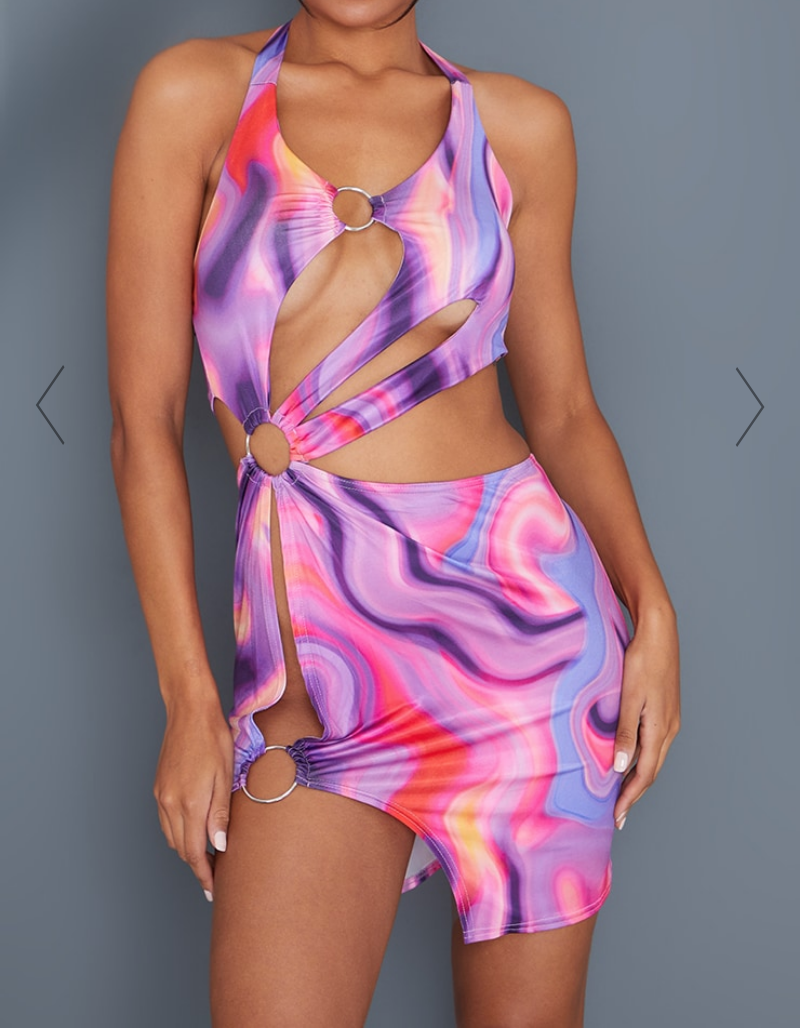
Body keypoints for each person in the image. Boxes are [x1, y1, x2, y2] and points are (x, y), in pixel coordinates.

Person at [107, 2, 681, 1025]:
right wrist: (189, 701)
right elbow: (141, 425)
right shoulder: (194, 97)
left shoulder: (517, 127)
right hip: (313, 676)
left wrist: (654, 608)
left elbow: (561, 410)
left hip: (529, 655)